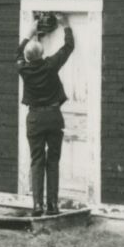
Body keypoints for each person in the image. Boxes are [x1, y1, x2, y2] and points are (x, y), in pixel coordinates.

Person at [18, 14, 76, 215]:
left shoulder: (23, 69)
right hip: (53, 116)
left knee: (37, 160)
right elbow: (68, 47)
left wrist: (30, 33)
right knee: (53, 161)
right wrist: (65, 25)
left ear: (27, 57)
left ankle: (37, 205)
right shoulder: (51, 65)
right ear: (42, 53)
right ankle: (52, 205)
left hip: (34, 119)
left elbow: (17, 53)